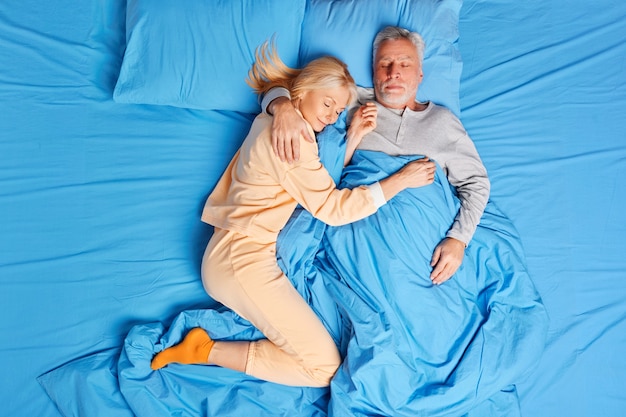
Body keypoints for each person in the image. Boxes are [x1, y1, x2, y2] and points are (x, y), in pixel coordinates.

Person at [150, 42, 437, 387]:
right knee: (323, 369)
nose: (332, 116)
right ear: (302, 91)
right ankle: (205, 351)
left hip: (240, 255)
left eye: (337, 110)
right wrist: (400, 181)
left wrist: (346, 132)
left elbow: (310, 180)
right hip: (240, 261)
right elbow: (333, 208)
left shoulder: (273, 118)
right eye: (328, 104)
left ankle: (202, 348)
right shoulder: (295, 139)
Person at [263, 26, 490, 286]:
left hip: (420, 249)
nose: (394, 72)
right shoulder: (347, 101)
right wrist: (282, 109)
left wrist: (459, 239)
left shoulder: (443, 123)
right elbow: (276, 86)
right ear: (374, 72)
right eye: (385, 64)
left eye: (405, 64)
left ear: (420, 74)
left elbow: (476, 184)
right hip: (351, 233)